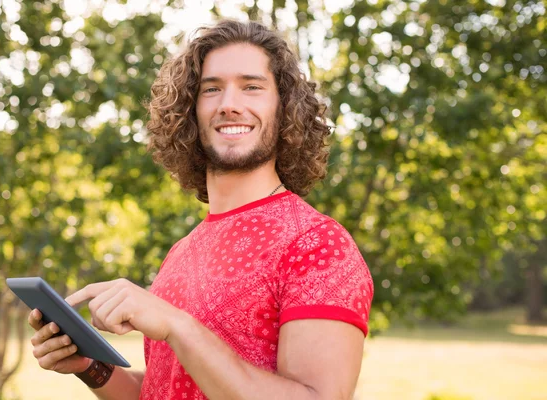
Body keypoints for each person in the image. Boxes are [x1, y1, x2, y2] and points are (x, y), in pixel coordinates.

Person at [28, 19, 374, 400]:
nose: (229, 104)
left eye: (252, 87)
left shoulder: (317, 243)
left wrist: (177, 325)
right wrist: (91, 367)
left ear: (285, 106)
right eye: (212, 89)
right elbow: (167, 388)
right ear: (189, 112)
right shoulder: (183, 250)